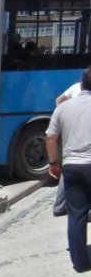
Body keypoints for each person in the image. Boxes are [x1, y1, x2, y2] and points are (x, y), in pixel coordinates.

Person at [46, 66, 91, 273]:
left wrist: (54, 163)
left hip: (72, 166)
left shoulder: (63, 108)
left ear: (81, 83)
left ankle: (80, 263)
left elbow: (51, 138)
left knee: (77, 215)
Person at [52, 81, 82, 216]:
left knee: (69, 164)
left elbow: (58, 101)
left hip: (70, 133)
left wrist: (62, 117)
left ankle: (59, 206)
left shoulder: (75, 87)